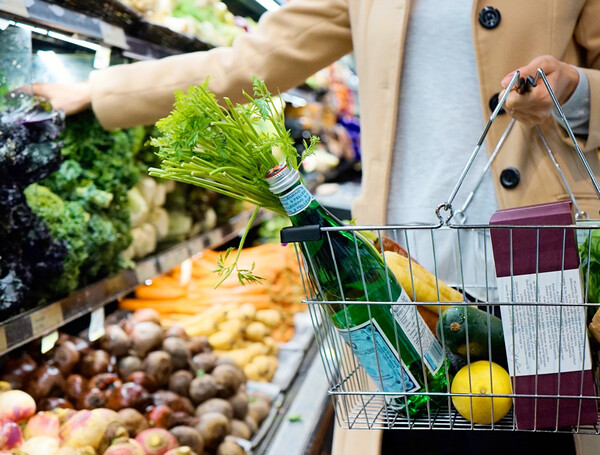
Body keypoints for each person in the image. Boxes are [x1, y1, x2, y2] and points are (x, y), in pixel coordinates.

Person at [31, 1, 600, 454]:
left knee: (548, 430)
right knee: (411, 430)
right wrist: (101, 92)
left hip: (549, 276)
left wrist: (576, 94)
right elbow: (247, 62)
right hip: (398, 281)